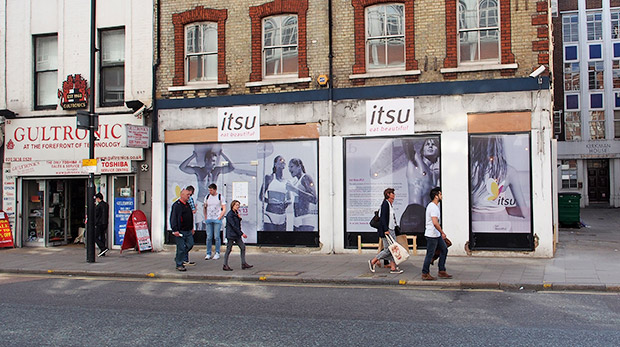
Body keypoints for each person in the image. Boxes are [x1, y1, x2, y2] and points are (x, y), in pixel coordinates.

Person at [470, 136, 530, 232]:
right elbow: (524, 212)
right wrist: (503, 208)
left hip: (476, 223)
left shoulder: (470, 169)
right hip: (502, 224)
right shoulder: (509, 171)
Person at [367, 188, 404, 274]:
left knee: (393, 249)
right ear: (388, 194)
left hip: (391, 229)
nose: (394, 195)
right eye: (392, 193)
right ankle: (373, 261)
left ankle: (393, 268)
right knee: (388, 249)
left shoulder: (390, 205)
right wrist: (386, 230)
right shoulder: (385, 204)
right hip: (387, 230)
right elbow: (383, 219)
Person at [421, 187, 452, 280]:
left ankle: (442, 271)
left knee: (444, 250)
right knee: (430, 254)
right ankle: (425, 273)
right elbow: (435, 222)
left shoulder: (435, 206)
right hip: (432, 235)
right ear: (436, 196)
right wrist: (442, 232)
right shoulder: (433, 207)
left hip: (436, 234)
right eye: (440, 194)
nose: (441, 196)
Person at [259, 155, 290, 231]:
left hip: (282, 216)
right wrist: (271, 201)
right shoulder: (269, 178)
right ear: (275, 164)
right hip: (270, 215)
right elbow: (261, 196)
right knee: (269, 239)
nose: (283, 162)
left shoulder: (286, 182)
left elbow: (289, 199)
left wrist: (286, 203)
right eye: (280, 160)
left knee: (282, 240)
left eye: (284, 161)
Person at [286, 158, 317, 231]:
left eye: (291, 166)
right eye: (288, 167)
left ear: (299, 167)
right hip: (297, 219)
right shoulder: (296, 181)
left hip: (306, 218)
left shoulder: (306, 177)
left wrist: (294, 189)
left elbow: (314, 199)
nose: (289, 170)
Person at [222, 200, 253, 271]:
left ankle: (243, 263)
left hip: (236, 234)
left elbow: (237, 224)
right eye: (236, 205)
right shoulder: (230, 214)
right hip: (231, 234)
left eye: (238, 205)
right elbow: (233, 226)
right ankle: (225, 265)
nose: (238, 206)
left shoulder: (236, 213)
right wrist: (242, 233)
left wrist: (239, 218)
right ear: (233, 205)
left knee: (242, 247)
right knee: (228, 249)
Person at [170, 189, 195, 271]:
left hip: (188, 230)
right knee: (180, 248)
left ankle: (178, 257)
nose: (189, 196)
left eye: (189, 194)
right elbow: (173, 218)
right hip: (180, 231)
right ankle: (179, 264)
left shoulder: (187, 205)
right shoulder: (176, 205)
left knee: (190, 244)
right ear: (182, 195)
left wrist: (192, 227)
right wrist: (175, 229)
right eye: (187, 194)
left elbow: (191, 217)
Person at [203, 183, 226, 260]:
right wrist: (205, 217)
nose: (210, 191)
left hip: (217, 218)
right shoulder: (207, 197)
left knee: (217, 237)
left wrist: (220, 217)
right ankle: (208, 253)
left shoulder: (220, 197)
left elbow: (224, 207)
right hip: (209, 218)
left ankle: (217, 252)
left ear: (215, 189)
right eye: (209, 190)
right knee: (209, 237)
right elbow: (205, 207)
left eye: (211, 190)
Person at [94, 193, 109, 257]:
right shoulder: (106, 205)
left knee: (95, 237)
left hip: (99, 223)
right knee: (102, 236)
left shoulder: (99, 206)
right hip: (105, 223)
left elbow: (96, 214)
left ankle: (103, 248)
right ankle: (103, 252)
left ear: (98, 198)